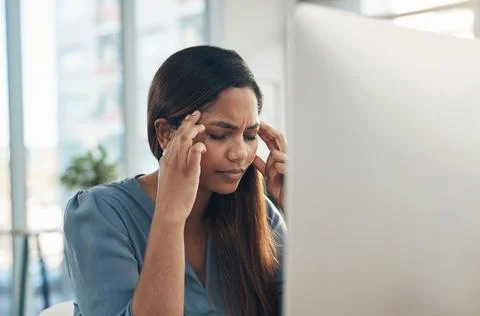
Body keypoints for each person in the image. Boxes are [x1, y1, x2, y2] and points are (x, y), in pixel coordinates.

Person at [63, 45, 287, 316]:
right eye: (219, 134)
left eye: (250, 135)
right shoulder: (100, 213)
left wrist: (299, 214)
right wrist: (171, 214)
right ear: (167, 134)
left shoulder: (262, 216)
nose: (240, 153)